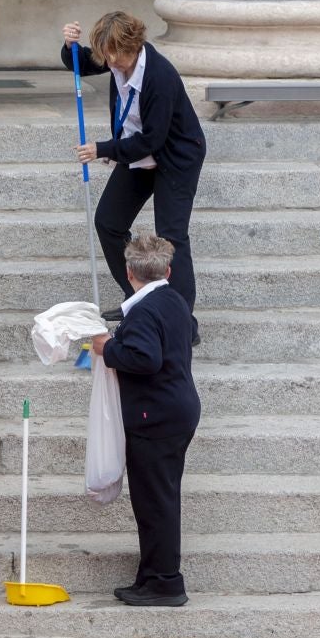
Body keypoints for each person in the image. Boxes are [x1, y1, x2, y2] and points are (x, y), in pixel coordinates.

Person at [61, 11, 207, 317]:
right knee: (109, 222)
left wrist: (104, 148)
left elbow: (152, 140)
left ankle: (181, 320)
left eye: (114, 57)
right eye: (106, 57)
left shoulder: (160, 77)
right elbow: (81, 62)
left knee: (171, 235)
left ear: (131, 46)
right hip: (136, 152)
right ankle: (139, 300)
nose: (109, 63)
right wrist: (69, 46)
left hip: (175, 156)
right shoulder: (113, 57)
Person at [89, 234, 201, 607]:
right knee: (160, 499)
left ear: (128, 272)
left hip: (156, 418)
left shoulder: (144, 310)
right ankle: (152, 575)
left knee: (155, 503)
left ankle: (165, 582)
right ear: (168, 270)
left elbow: (145, 358)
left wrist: (109, 348)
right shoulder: (173, 299)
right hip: (175, 410)